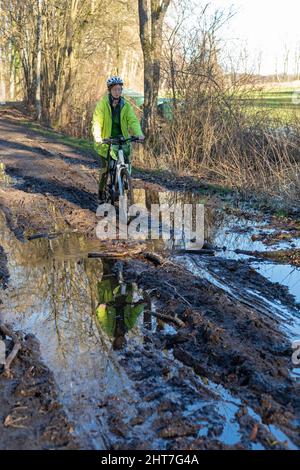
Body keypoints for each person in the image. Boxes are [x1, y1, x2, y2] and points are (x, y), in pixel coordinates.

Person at [91, 76, 144, 202]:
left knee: (127, 162)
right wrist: (98, 136)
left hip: (122, 139)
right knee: (106, 169)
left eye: (119, 89)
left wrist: (139, 133)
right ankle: (101, 192)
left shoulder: (125, 105)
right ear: (110, 90)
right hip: (106, 140)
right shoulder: (103, 104)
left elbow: (133, 121)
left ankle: (125, 178)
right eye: (115, 89)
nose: (117, 92)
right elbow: (97, 121)